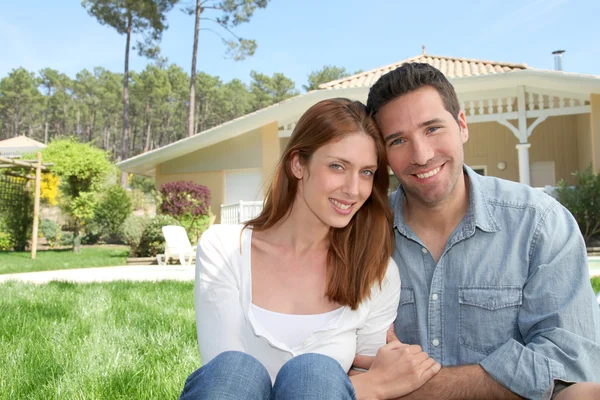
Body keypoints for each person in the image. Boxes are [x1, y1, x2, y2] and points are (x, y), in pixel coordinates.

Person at [353, 62, 600, 399]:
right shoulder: (361, 235)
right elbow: (336, 355)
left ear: (462, 125)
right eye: (398, 140)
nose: (422, 155)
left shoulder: (539, 224)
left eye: (433, 129)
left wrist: (412, 387)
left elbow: (568, 361)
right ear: (383, 154)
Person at [180, 98, 441, 400]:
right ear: (298, 165)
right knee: (235, 369)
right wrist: (372, 387)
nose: (353, 189)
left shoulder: (375, 271)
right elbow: (224, 382)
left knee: (315, 375)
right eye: (337, 166)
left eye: (366, 172)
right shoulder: (225, 248)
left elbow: (370, 367)